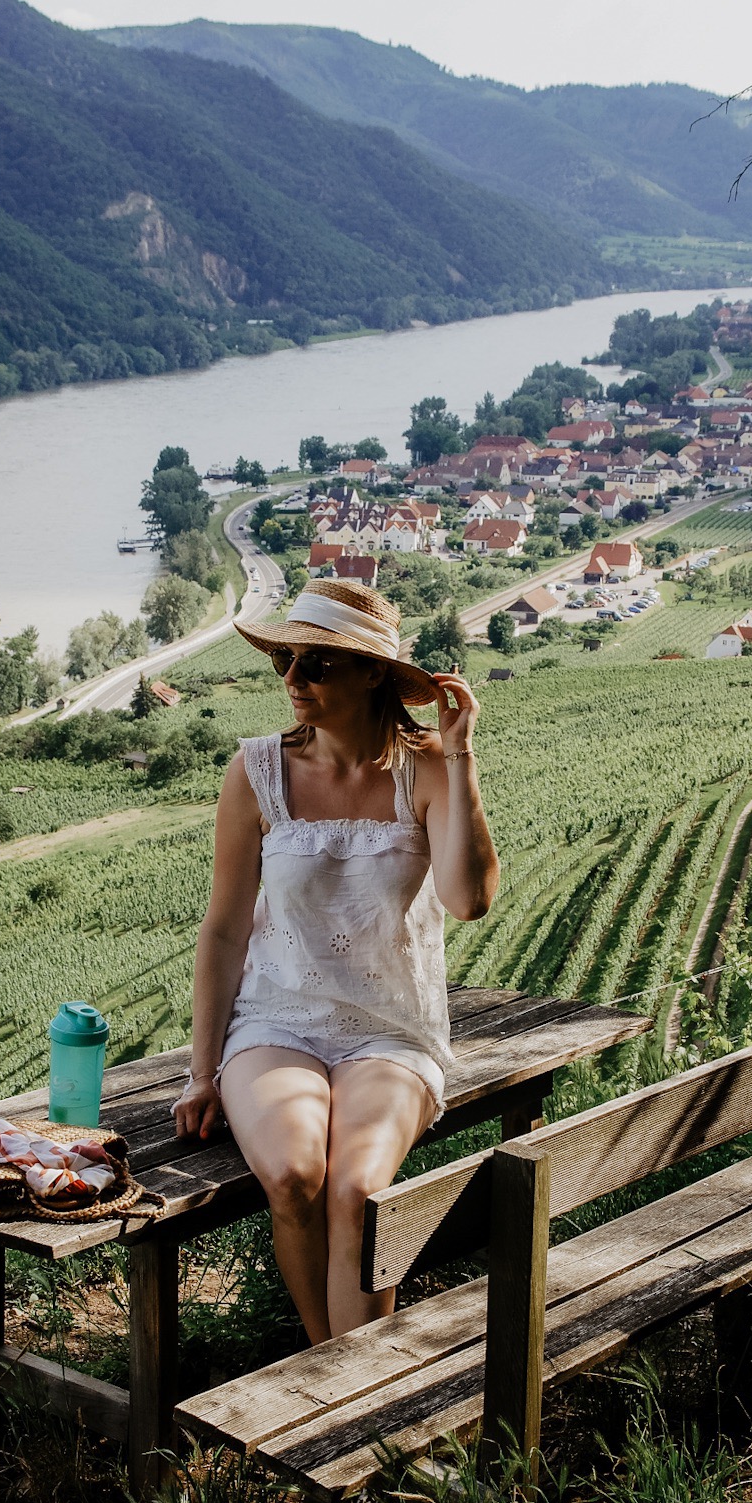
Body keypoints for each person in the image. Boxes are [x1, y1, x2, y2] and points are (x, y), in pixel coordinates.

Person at [174, 575, 500, 1342]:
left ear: (374, 673)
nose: (292, 680)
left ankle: (346, 1396)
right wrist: (199, 1071)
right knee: (292, 1177)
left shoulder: (423, 768)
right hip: (276, 1022)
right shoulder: (255, 773)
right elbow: (223, 929)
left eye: (316, 665)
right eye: (284, 661)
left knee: (356, 1188)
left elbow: (468, 899)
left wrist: (461, 758)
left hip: (391, 1030)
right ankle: (341, 1380)